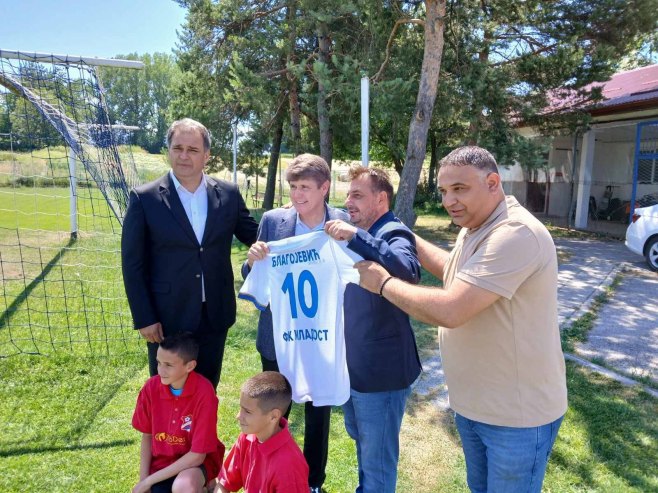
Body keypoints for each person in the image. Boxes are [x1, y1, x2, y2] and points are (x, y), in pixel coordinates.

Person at [356, 146, 568, 493]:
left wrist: (383, 284)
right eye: (443, 191)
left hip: (516, 417)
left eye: (459, 189)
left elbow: (451, 309)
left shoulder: (515, 233)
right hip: (477, 406)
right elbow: (453, 270)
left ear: (493, 183)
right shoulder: (475, 226)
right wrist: (397, 231)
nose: (448, 201)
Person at [121, 118, 258, 389]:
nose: (184, 156)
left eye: (193, 150)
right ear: (169, 151)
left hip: (215, 314)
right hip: (167, 316)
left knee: (206, 389)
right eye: (178, 148)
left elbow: (255, 235)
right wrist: (145, 317)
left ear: (206, 155)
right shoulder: (144, 198)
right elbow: (132, 264)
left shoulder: (228, 194)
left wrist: (292, 215)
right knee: (168, 393)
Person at [241, 153, 348, 492]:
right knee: (275, 409)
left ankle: (313, 480)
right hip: (280, 335)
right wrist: (251, 260)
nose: (297, 195)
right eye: (293, 186)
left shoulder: (342, 222)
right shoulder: (273, 221)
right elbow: (252, 273)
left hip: (322, 335)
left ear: (324, 188)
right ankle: (268, 474)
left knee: (318, 410)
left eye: (305, 187)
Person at [323, 166, 422, 493]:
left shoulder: (394, 232)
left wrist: (356, 236)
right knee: (365, 448)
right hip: (353, 369)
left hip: (381, 375)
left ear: (381, 199)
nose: (348, 202)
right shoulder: (355, 232)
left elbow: (407, 271)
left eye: (357, 195)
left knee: (377, 463)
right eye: (348, 195)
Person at [131, 333, 224, 493]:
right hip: (162, 464)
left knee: (183, 487)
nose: (161, 370)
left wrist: (149, 481)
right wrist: (143, 482)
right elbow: (147, 435)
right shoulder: (151, 388)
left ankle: (205, 484)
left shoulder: (204, 392)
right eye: (159, 363)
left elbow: (197, 456)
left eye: (168, 365)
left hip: (197, 463)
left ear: (190, 366)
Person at [215, 371, 309, 493]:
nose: (238, 416)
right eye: (241, 408)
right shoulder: (246, 437)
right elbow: (224, 483)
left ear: (274, 416)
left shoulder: (289, 465)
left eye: (247, 411)